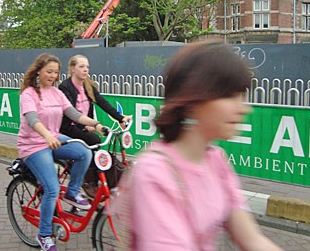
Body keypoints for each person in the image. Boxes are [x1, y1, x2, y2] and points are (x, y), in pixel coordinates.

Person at [112, 41, 282, 250]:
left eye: (242, 96)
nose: (244, 108)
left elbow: (251, 238)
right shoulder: (154, 172)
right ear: (193, 99)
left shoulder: (216, 159)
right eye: (229, 96)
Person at [17, 53, 105, 251]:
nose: (52, 75)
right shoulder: (29, 94)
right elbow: (32, 119)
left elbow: (73, 113)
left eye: (55, 72)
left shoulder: (57, 93)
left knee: (84, 151)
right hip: (34, 145)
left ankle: (72, 193)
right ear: (38, 70)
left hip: (55, 139)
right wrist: (47, 136)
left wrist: (96, 124)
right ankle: (44, 235)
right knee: (52, 189)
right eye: (49, 71)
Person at [59, 54, 130, 146]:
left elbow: (102, 102)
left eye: (87, 67)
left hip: (86, 125)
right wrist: (87, 126)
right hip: (70, 127)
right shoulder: (65, 87)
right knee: (94, 140)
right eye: (81, 66)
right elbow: (71, 113)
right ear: (73, 69)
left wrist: (120, 118)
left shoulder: (88, 85)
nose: (85, 69)